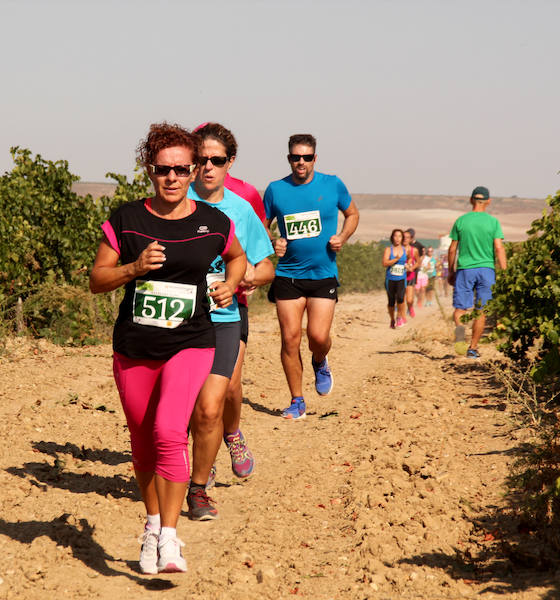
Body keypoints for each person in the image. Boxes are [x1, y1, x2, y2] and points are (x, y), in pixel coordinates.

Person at [89, 123, 246, 574]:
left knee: (168, 432)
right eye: (163, 170)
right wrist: (134, 267)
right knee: (141, 442)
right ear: (150, 170)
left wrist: (230, 287)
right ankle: (152, 527)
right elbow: (98, 279)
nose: (173, 178)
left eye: (182, 169)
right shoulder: (126, 219)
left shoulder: (214, 221)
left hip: (191, 342)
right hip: (135, 347)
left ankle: (172, 540)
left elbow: (236, 258)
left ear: (195, 169)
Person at [185, 123, 274, 521]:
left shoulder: (239, 208)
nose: (207, 167)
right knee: (194, 401)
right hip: (182, 317)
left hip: (226, 313)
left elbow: (267, 265)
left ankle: (231, 436)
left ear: (229, 163)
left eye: (216, 161)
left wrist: (247, 276)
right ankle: (202, 461)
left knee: (226, 393)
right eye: (200, 160)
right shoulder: (174, 200)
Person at [263, 134, 359, 420]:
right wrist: (273, 241)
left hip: (322, 273)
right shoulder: (276, 190)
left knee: (317, 337)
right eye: (295, 157)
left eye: (306, 157)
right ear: (289, 158)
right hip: (288, 275)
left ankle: (320, 360)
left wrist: (342, 236)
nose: (300, 162)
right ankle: (297, 400)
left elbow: (352, 214)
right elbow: (261, 226)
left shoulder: (333, 184)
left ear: (315, 158)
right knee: (290, 339)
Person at [447, 186, 507, 359]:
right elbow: (498, 247)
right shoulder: (493, 222)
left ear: (471, 199)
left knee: (460, 308)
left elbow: (452, 250)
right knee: (481, 310)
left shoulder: (461, 221)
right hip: (486, 269)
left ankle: (460, 337)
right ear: (488, 201)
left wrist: (451, 270)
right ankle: (472, 348)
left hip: (465, 269)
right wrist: (504, 273)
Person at [381, 229, 407, 328]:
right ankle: (392, 319)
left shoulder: (405, 250)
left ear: (402, 238)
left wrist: (408, 266)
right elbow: (384, 263)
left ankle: (399, 316)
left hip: (401, 278)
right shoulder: (388, 249)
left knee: (400, 298)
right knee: (391, 301)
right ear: (392, 237)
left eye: (399, 236)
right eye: (395, 236)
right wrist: (395, 259)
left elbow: (408, 262)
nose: (397, 238)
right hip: (390, 278)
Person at [402, 229, 419, 318]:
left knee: (409, 299)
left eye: (407, 238)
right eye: (403, 237)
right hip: (399, 276)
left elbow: (418, 262)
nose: (405, 239)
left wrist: (412, 268)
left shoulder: (414, 250)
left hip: (410, 276)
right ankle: (402, 316)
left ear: (411, 239)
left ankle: (410, 307)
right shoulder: (396, 249)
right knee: (401, 298)